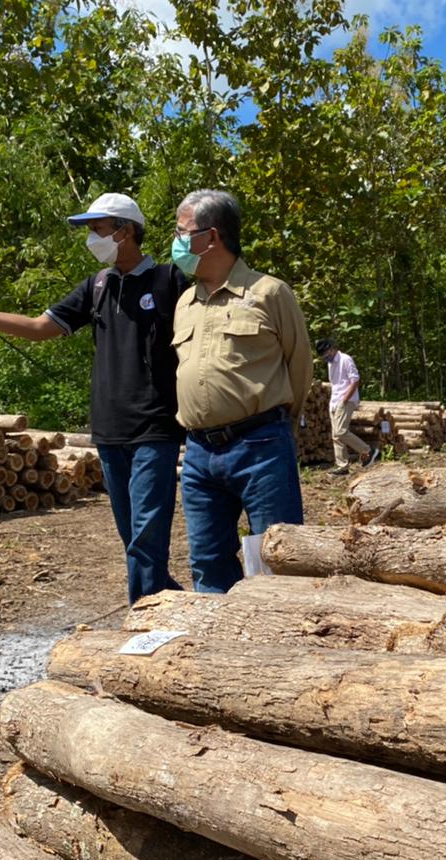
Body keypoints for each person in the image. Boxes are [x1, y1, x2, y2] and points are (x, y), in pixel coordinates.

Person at [0, 192, 188, 605]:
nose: (92, 238)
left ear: (125, 231)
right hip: (109, 431)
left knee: (147, 536)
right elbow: (39, 327)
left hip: (156, 429)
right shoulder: (97, 286)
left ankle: (142, 618)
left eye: (97, 229)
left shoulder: (169, 281)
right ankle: (170, 604)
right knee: (133, 537)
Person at [170, 188, 313, 593]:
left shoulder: (269, 293)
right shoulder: (185, 303)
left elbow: (299, 367)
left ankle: (279, 647)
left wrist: (281, 431)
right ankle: (223, 648)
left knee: (275, 556)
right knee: (208, 560)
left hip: (260, 445)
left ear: (210, 237)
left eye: (182, 232)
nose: (176, 242)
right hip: (198, 454)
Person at [317, 337, 379, 476]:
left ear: (332, 349)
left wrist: (345, 399)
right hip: (335, 401)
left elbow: (355, 380)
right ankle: (342, 466)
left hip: (346, 400)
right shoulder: (330, 364)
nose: (326, 358)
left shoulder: (345, 359)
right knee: (336, 436)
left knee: (340, 431)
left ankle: (368, 450)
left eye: (327, 354)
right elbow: (335, 383)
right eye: (323, 356)